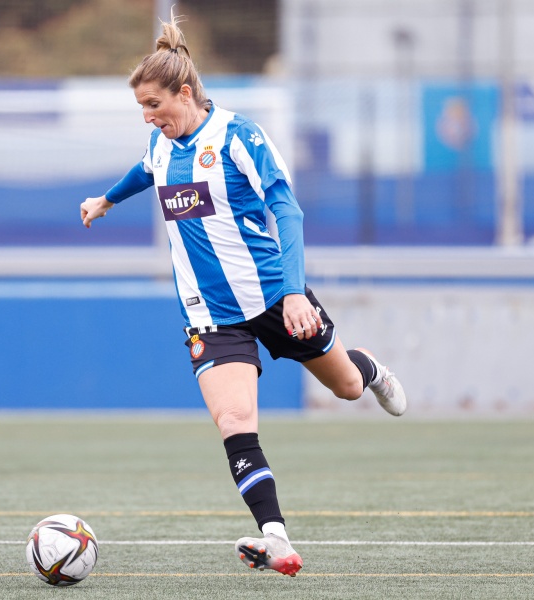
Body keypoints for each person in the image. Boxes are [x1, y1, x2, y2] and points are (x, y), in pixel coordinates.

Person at [80, 12, 407, 578]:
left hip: (277, 299)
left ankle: (370, 369)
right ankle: (275, 537)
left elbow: (288, 210)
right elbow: (145, 170)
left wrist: (294, 293)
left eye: (153, 104)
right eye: (142, 108)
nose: (148, 117)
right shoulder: (160, 146)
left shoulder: (238, 137)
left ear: (185, 93)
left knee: (348, 388)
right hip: (210, 315)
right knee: (234, 420)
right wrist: (106, 200)